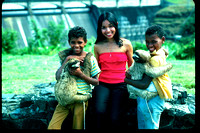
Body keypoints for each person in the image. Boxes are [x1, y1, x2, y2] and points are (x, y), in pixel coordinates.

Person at [48, 26, 100, 130]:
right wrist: (67, 59)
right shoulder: (66, 57)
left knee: (78, 127)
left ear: (85, 42)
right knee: (53, 126)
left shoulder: (90, 59)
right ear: (69, 42)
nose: (76, 45)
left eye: (79, 42)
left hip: (80, 99)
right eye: (73, 42)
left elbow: (96, 82)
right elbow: (58, 77)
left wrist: (81, 75)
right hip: (65, 99)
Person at [124, 25, 173, 129]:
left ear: (162, 39)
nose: (150, 45)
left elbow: (144, 84)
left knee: (149, 126)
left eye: (154, 41)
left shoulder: (154, 59)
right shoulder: (160, 52)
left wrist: (127, 80)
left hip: (151, 101)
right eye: (147, 42)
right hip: (150, 99)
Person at [92, 11, 134, 129]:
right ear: (100, 29)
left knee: (115, 117)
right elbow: (97, 68)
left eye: (111, 26)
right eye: (104, 28)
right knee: (99, 112)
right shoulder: (97, 46)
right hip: (103, 83)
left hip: (121, 84)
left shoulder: (126, 44)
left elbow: (132, 66)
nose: (108, 30)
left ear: (116, 25)